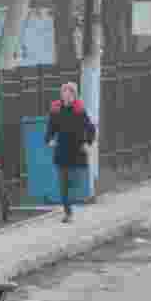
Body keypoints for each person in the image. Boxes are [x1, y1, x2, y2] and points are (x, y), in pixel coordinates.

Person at [45, 82, 95, 223]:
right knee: (63, 185)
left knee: (75, 182)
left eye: (69, 93)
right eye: (64, 93)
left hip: (77, 151)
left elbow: (90, 129)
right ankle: (68, 213)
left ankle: (70, 205)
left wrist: (87, 143)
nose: (66, 96)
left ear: (74, 95)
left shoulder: (79, 110)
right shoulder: (56, 109)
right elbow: (50, 128)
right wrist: (49, 140)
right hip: (62, 151)